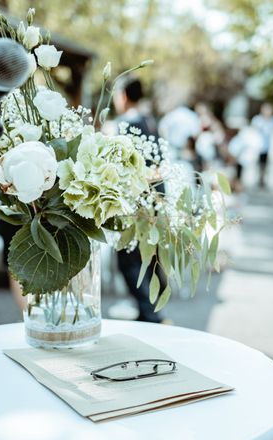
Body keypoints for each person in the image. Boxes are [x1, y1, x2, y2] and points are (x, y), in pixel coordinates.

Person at [112, 76, 165, 324]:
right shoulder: (149, 120)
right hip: (155, 197)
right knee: (150, 255)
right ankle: (152, 306)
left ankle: (149, 312)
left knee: (128, 258)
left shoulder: (125, 125)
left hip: (135, 202)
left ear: (123, 96)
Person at [251, 103, 273, 188]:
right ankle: (258, 178)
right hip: (258, 147)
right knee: (258, 164)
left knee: (265, 164)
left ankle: (263, 179)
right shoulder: (257, 120)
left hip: (268, 146)